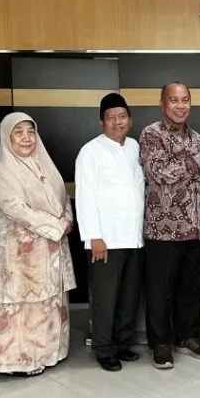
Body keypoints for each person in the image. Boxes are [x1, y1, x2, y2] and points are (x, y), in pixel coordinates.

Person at [140, 82, 200, 370]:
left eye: (184, 100)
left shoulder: (198, 139)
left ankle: (187, 336)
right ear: (163, 104)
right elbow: (159, 172)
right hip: (162, 230)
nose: (180, 106)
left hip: (195, 227)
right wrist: (199, 160)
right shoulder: (152, 134)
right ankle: (161, 343)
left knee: (190, 289)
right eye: (174, 100)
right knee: (160, 290)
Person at [0, 112, 76, 376]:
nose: (26, 138)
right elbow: (16, 209)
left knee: (50, 301)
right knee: (23, 304)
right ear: (7, 137)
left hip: (50, 250)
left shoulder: (43, 164)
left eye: (30, 132)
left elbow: (63, 198)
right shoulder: (4, 173)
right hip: (20, 254)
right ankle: (19, 361)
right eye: (19, 133)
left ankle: (51, 353)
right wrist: (58, 226)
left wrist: (67, 219)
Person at [75, 93, 145, 372]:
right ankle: (103, 348)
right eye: (111, 118)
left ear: (130, 120)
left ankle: (122, 343)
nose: (117, 122)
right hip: (106, 239)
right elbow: (85, 197)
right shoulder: (90, 152)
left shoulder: (134, 147)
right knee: (105, 298)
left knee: (129, 297)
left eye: (122, 116)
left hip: (134, 237)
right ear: (101, 123)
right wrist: (94, 236)